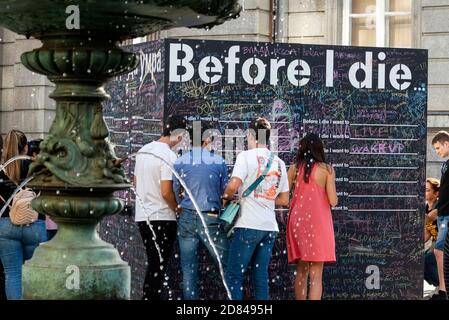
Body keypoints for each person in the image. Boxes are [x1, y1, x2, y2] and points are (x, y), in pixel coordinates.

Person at [222, 118, 289, 300]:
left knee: (235, 276)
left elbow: (233, 185)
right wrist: (264, 198)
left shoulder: (245, 156)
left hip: (248, 225)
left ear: (251, 136)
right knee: (260, 277)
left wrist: (226, 198)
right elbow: (284, 199)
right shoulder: (279, 163)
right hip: (269, 228)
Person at [173, 120, 229, 300]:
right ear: (207, 140)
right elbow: (223, 192)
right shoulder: (219, 162)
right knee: (226, 265)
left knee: (188, 269)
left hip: (187, 216)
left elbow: (175, 190)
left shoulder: (180, 161)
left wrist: (180, 206)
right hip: (210, 216)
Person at [134, 115, 186, 300]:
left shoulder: (143, 151)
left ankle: (149, 296)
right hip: (162, 217)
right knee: (158, 265)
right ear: (179, 135)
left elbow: (136, 182)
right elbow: (166, 192)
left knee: (153, 262)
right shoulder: (169, 156)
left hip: (143, 216)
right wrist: (177, 208)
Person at [286, 133, 338, 300]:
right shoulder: (327, 169)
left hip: (298, 221)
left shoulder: (294, 168)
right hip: (319, 223)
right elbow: (333, 200)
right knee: (316, 274)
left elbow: (285, 196)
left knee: (301, 271)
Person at [0, 130, 47, 300]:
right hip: (34, 225)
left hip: (5, 226)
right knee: (35, 274)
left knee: (12, 274)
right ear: (26, 147)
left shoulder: (2, 170)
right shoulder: (36, 168)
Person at [428, 131, 449, 300]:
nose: (437, 152)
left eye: (437, 148)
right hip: (443, 214)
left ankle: (443, 290)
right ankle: (442, 290)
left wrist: (439, 210)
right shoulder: (445, 165)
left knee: (439, 250)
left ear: (446, 144)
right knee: (439, 251)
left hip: (446, 215)